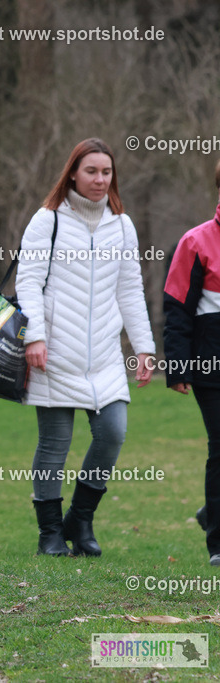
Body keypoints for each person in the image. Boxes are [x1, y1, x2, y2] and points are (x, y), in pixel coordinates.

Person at [16, 138, 154, 557]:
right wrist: (35, 335)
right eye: (91, 171)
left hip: (106, 356)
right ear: (73, 172)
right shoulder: (48, 220)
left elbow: (130, 289)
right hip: (55, 351)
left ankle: (81, 518)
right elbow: (28, 282)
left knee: (112, 433)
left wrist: (144, 347)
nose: (99, 179)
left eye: (106, 172)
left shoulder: (122, 225)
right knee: (54, 445)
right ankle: (51, 534)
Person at [163, 159, 220, 566]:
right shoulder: (196, 242)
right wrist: (178, 367)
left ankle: (209, 512)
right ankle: (218, 541)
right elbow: (178, 309)